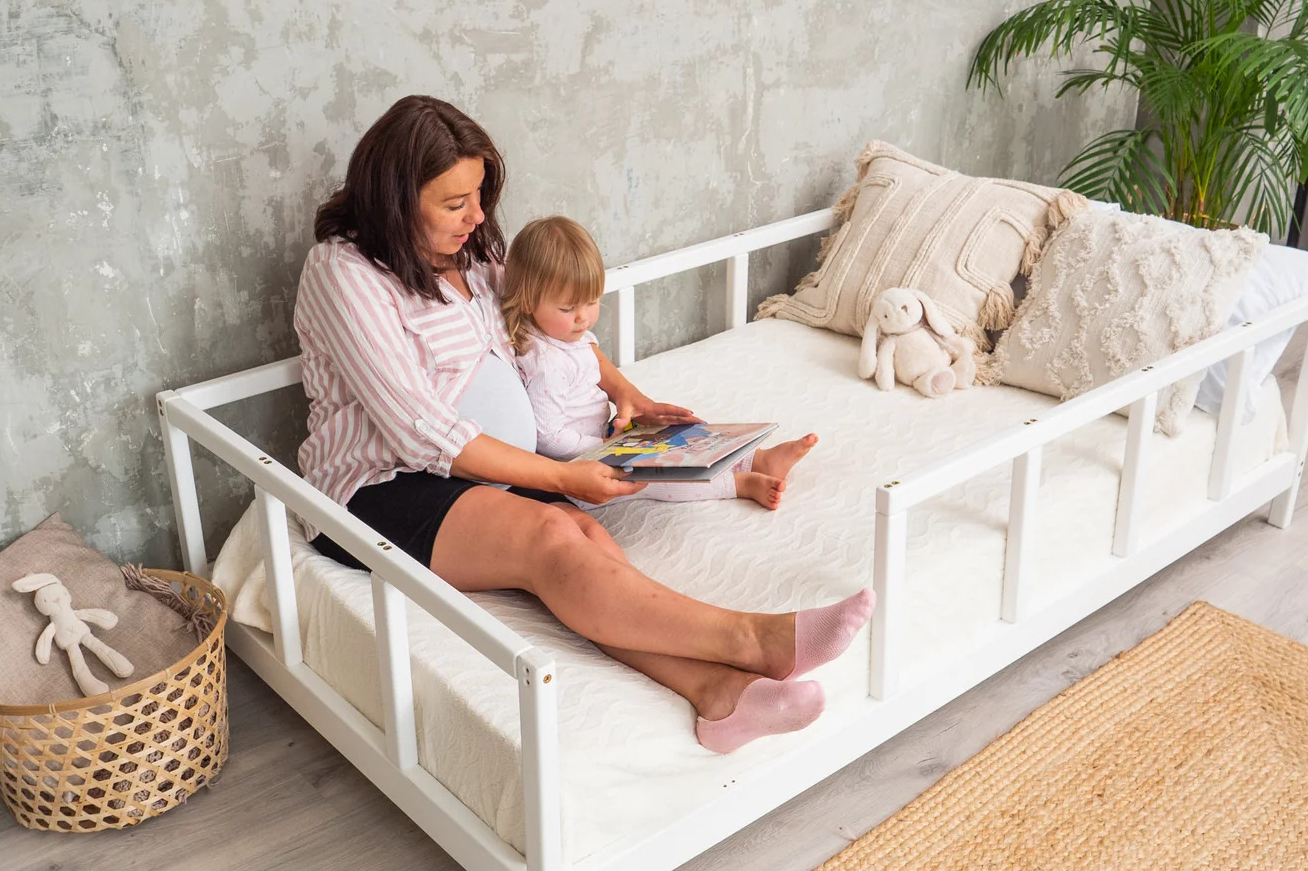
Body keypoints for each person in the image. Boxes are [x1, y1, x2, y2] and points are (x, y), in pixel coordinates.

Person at [293, 96, 873, 753]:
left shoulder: (476, 251)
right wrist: (562, 473)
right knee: (551, 534)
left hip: (498, 469)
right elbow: (419, 432)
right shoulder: (342, 271)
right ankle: (755, 639)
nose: (478, 216)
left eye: (480, 194)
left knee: (583, 536)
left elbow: (546, 322)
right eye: (455, 203)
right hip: (379, 488)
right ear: (396, 202)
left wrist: (626, 390)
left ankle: (722, 698)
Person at [501, 214, 818, 511]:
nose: (583, 317)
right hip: (578, 469)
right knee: (655, 477)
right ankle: (737, 482)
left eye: (592, 301)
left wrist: (623, 426)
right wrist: (601, 447)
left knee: (679, 434)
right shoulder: (544, 363)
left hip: (608, 436)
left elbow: (593, 367)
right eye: (569, 307)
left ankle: (756, 458)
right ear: (528, 300)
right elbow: (549, 437)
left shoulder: (568, 334)